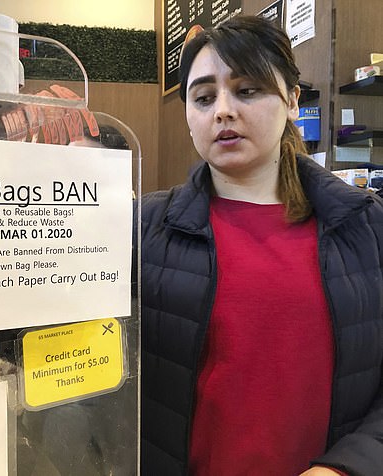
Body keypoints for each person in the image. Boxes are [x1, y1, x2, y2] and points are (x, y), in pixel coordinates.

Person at [141, 15, 383, 476]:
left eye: (247, 90)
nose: (223, 111)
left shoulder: (366, 226)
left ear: (293, 100)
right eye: (204, 97)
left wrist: (347, 467)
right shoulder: (145, 229)